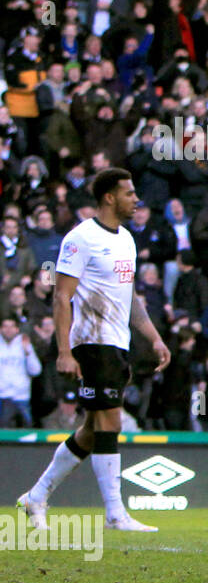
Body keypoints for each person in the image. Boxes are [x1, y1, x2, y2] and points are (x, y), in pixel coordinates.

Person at [17, 168, 172, 532]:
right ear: (109, 198)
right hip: (90, 341)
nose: (136, 199)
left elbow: (130, 297)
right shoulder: (81, 238)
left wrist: (153, 337)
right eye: (130, 193)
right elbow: (61, 295)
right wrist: (64, 351)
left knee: (92, 428)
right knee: (110, 421)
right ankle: (116, 513)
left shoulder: (128, 241)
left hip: (117, 343)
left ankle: (37, 496)